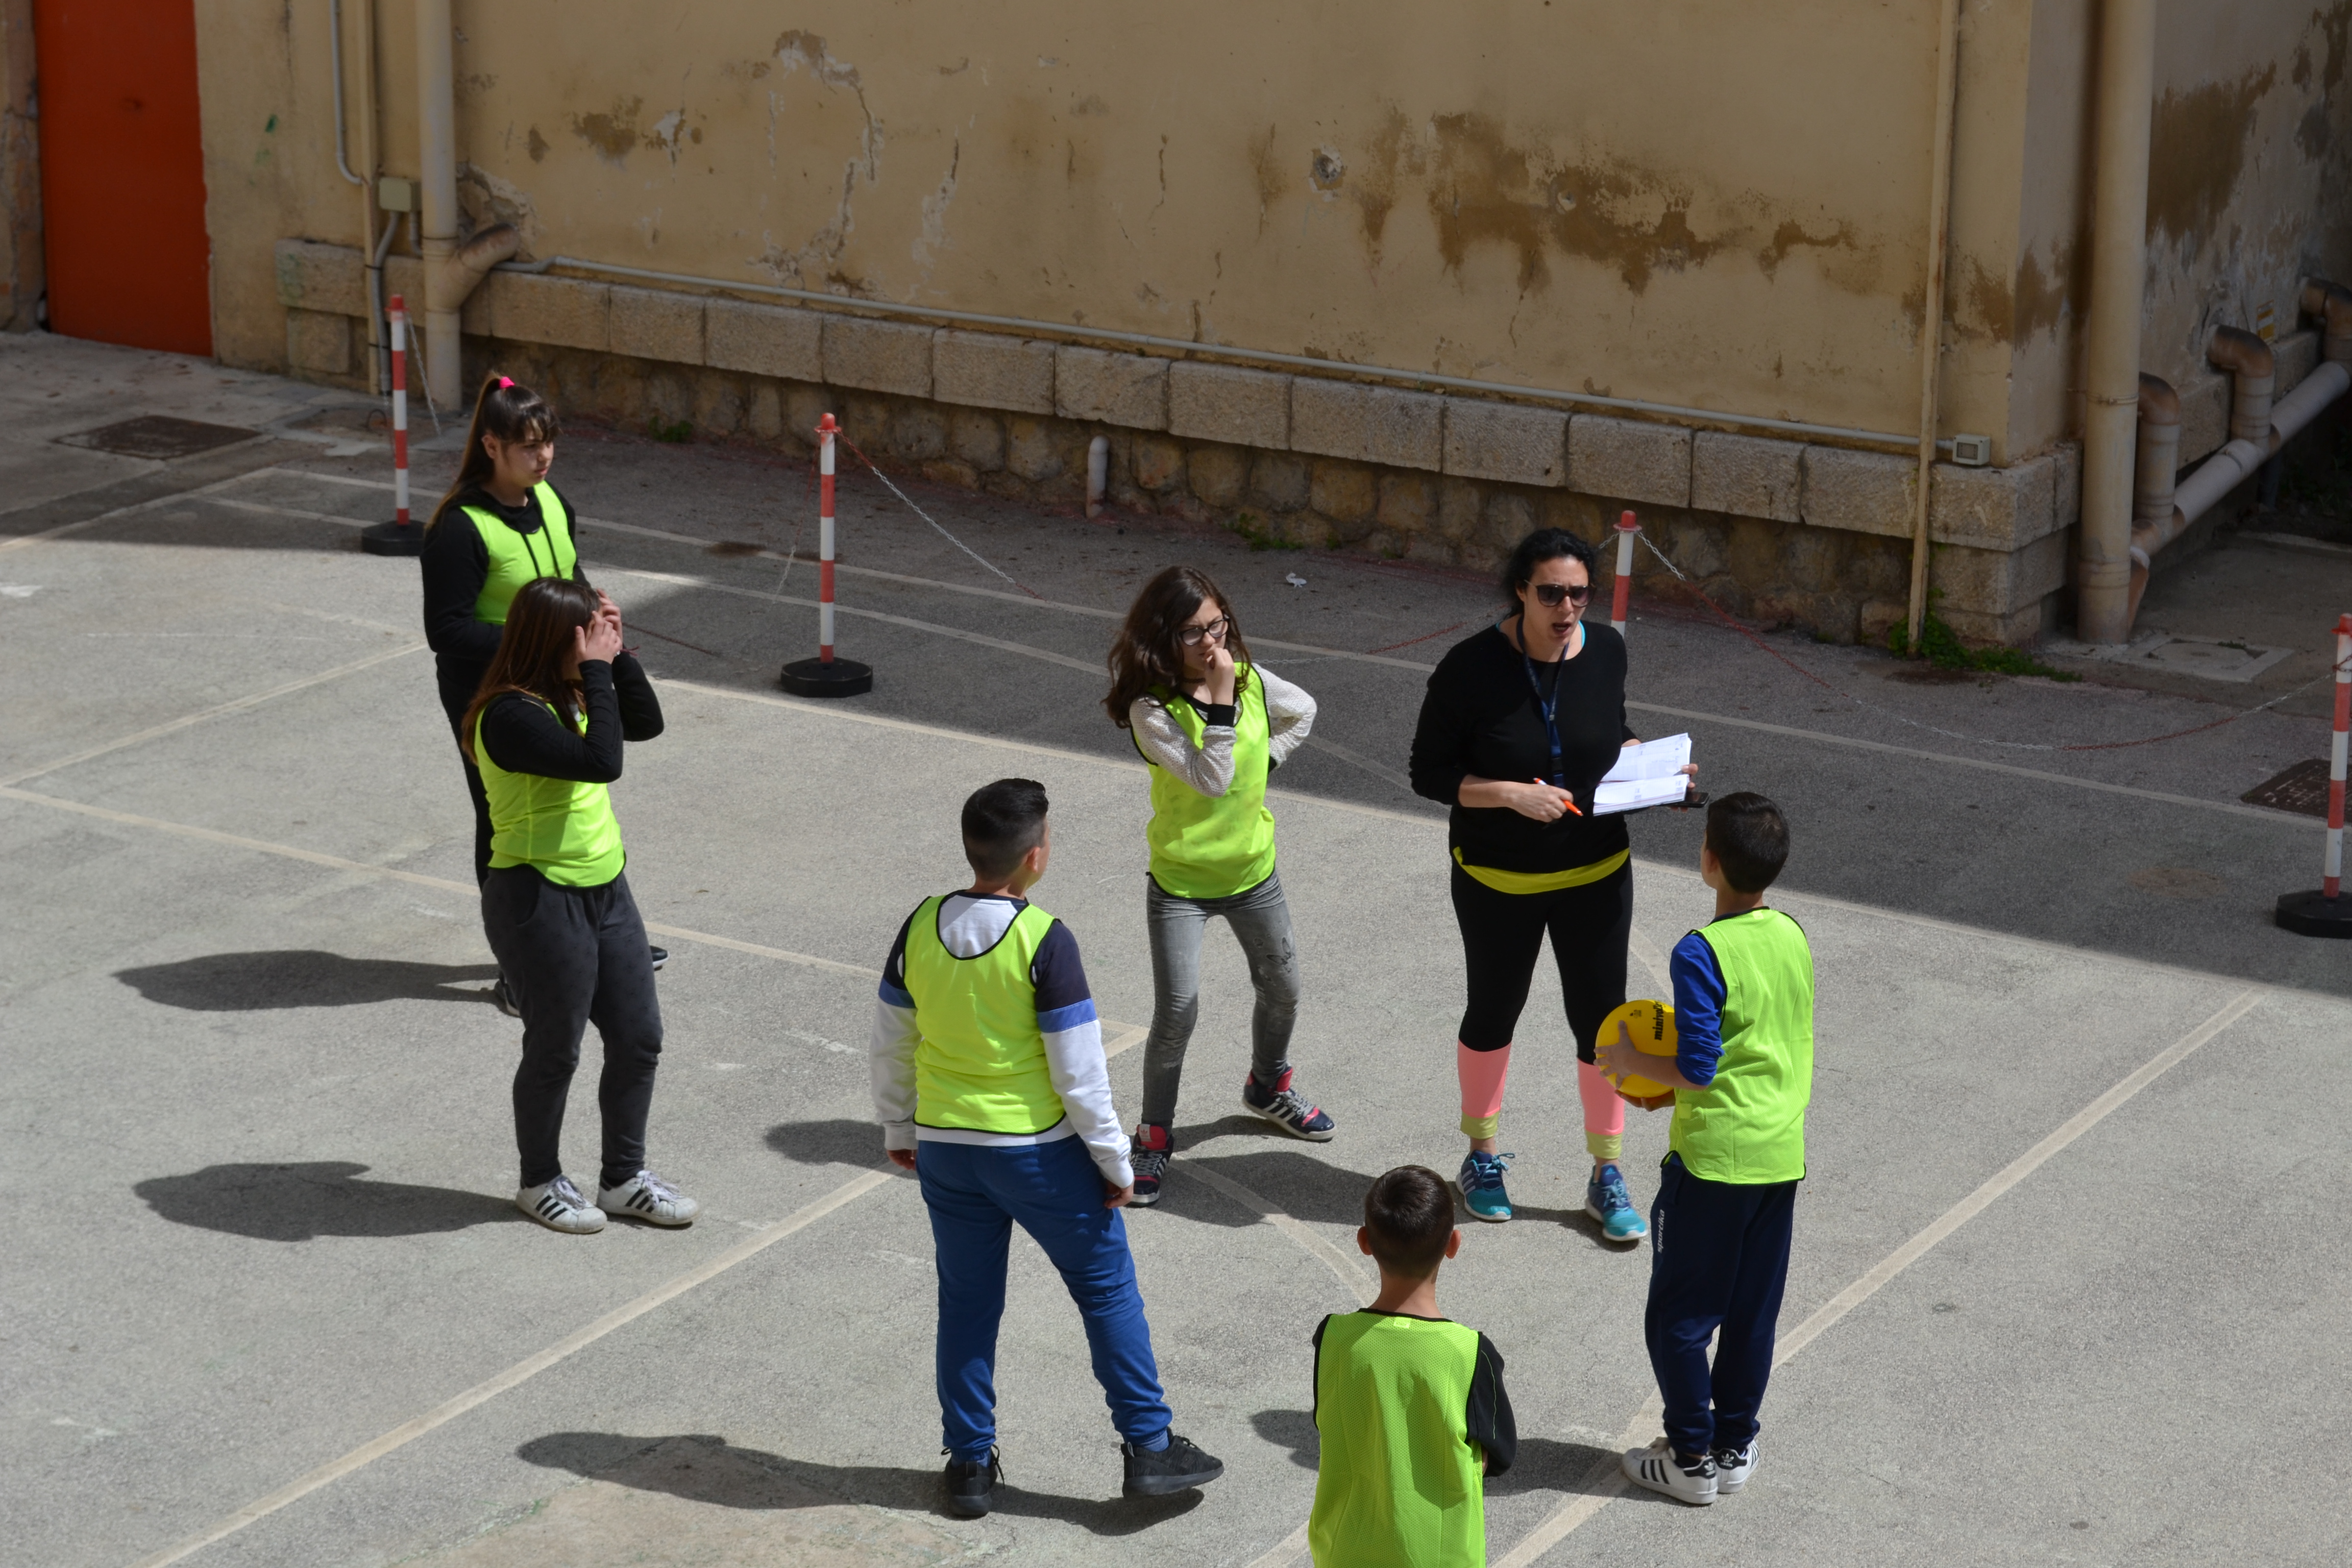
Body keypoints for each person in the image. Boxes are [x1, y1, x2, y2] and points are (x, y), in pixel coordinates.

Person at [870, 777, 1225, 1517]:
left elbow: (892, 1040)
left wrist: (901, 1129)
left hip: (947, 1151)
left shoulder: (919, 923)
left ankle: (969, 1465)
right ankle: (1150, 1446)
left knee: (967, 1306)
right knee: (1105, 1291)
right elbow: (1080, 1074)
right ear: (1035, 857)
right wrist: (1115, 1164)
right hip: (1036, 1154)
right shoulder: (1044, 939)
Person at [1408, 529, 1694, 1236]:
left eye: (1578, 594)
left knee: (1601, 1023)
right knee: (1493, 1012)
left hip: (1596, 871)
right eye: (1551, 594)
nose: (1566, 608)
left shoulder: (1608, 651)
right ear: (1520, 591)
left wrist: (1655, 772)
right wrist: (1509, 794)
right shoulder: (1469, 668)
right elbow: (1428, 772)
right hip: (1498, 877)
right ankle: (1482, 1157)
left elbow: (1609, 731)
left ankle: (1606, 1172)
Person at [462, 577, 697, 1235]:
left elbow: (645, 724)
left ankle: (623, 1179)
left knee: (639, 1038)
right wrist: (596, 671)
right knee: (556, 1050)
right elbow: (603, 762)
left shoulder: (569, 691)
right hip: (538, 897)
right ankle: (539, 1181)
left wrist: (618, 656)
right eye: (590, 635)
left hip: (608, 890)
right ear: (556, 640)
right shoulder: (509, 715)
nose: (599, 644)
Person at [422, 374, 664, 1013]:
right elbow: (446, 630)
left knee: (578, 801)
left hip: (554, 673)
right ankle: (518, 968)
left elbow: (568, 575)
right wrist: (538, 635)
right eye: (529, 446)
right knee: (504, 821)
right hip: (490, 689)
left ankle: (604, 934)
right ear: (492, 446)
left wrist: (592, 618)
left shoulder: (552, 501)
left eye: (549, 442)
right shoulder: (460, 527)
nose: (544, 457)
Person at [1597, 793, 1812, 1506]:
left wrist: (1631, 1061)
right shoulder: (1792, 934)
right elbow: (1759, 1045)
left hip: (1714, 1164)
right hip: (1779, 1157)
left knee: (1679, 1319)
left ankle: (1690, 1457)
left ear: (1709, 860)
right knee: (1751, 1314)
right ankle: (1733, 1444)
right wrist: (1672, 1090)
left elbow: (1698, 1063)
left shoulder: (1700, 951)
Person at [1104, 566, 1330, 1208]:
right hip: (1182, 884)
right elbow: (1211, 778)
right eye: (1193, 633)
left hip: (1253, 873)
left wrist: (1268, 758)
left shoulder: (1249, 677)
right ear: (1163, 638)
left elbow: (1303, 711)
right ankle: (1153, 1135)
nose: (1211, 644)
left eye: (1217, 625)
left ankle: (1267, 1086)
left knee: (1283, 989)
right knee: (1177, 1012)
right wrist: (1225, 701)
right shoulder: (1153, 711)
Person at [1309, 1165, 1514, 1567]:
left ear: (1364, 1242)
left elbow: (1328, 1418)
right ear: (1453, 1244)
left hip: (1344, 1550)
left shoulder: (1332, 1338)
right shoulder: (1470, 1352)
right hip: (1441, 1555)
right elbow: (1499, 1453)